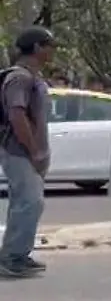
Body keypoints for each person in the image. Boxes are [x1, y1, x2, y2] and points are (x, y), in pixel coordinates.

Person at [0, 26, 55, 278]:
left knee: (24, 202)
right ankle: (12, 256)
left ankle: (17, 253)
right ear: (36, 47)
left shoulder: (32, 76)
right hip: (19, 151)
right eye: (48, 45)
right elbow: (16, 114)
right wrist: (33, 150)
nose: (51, 51)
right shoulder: (20, 78)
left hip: (27, 152)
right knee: (30, 203)